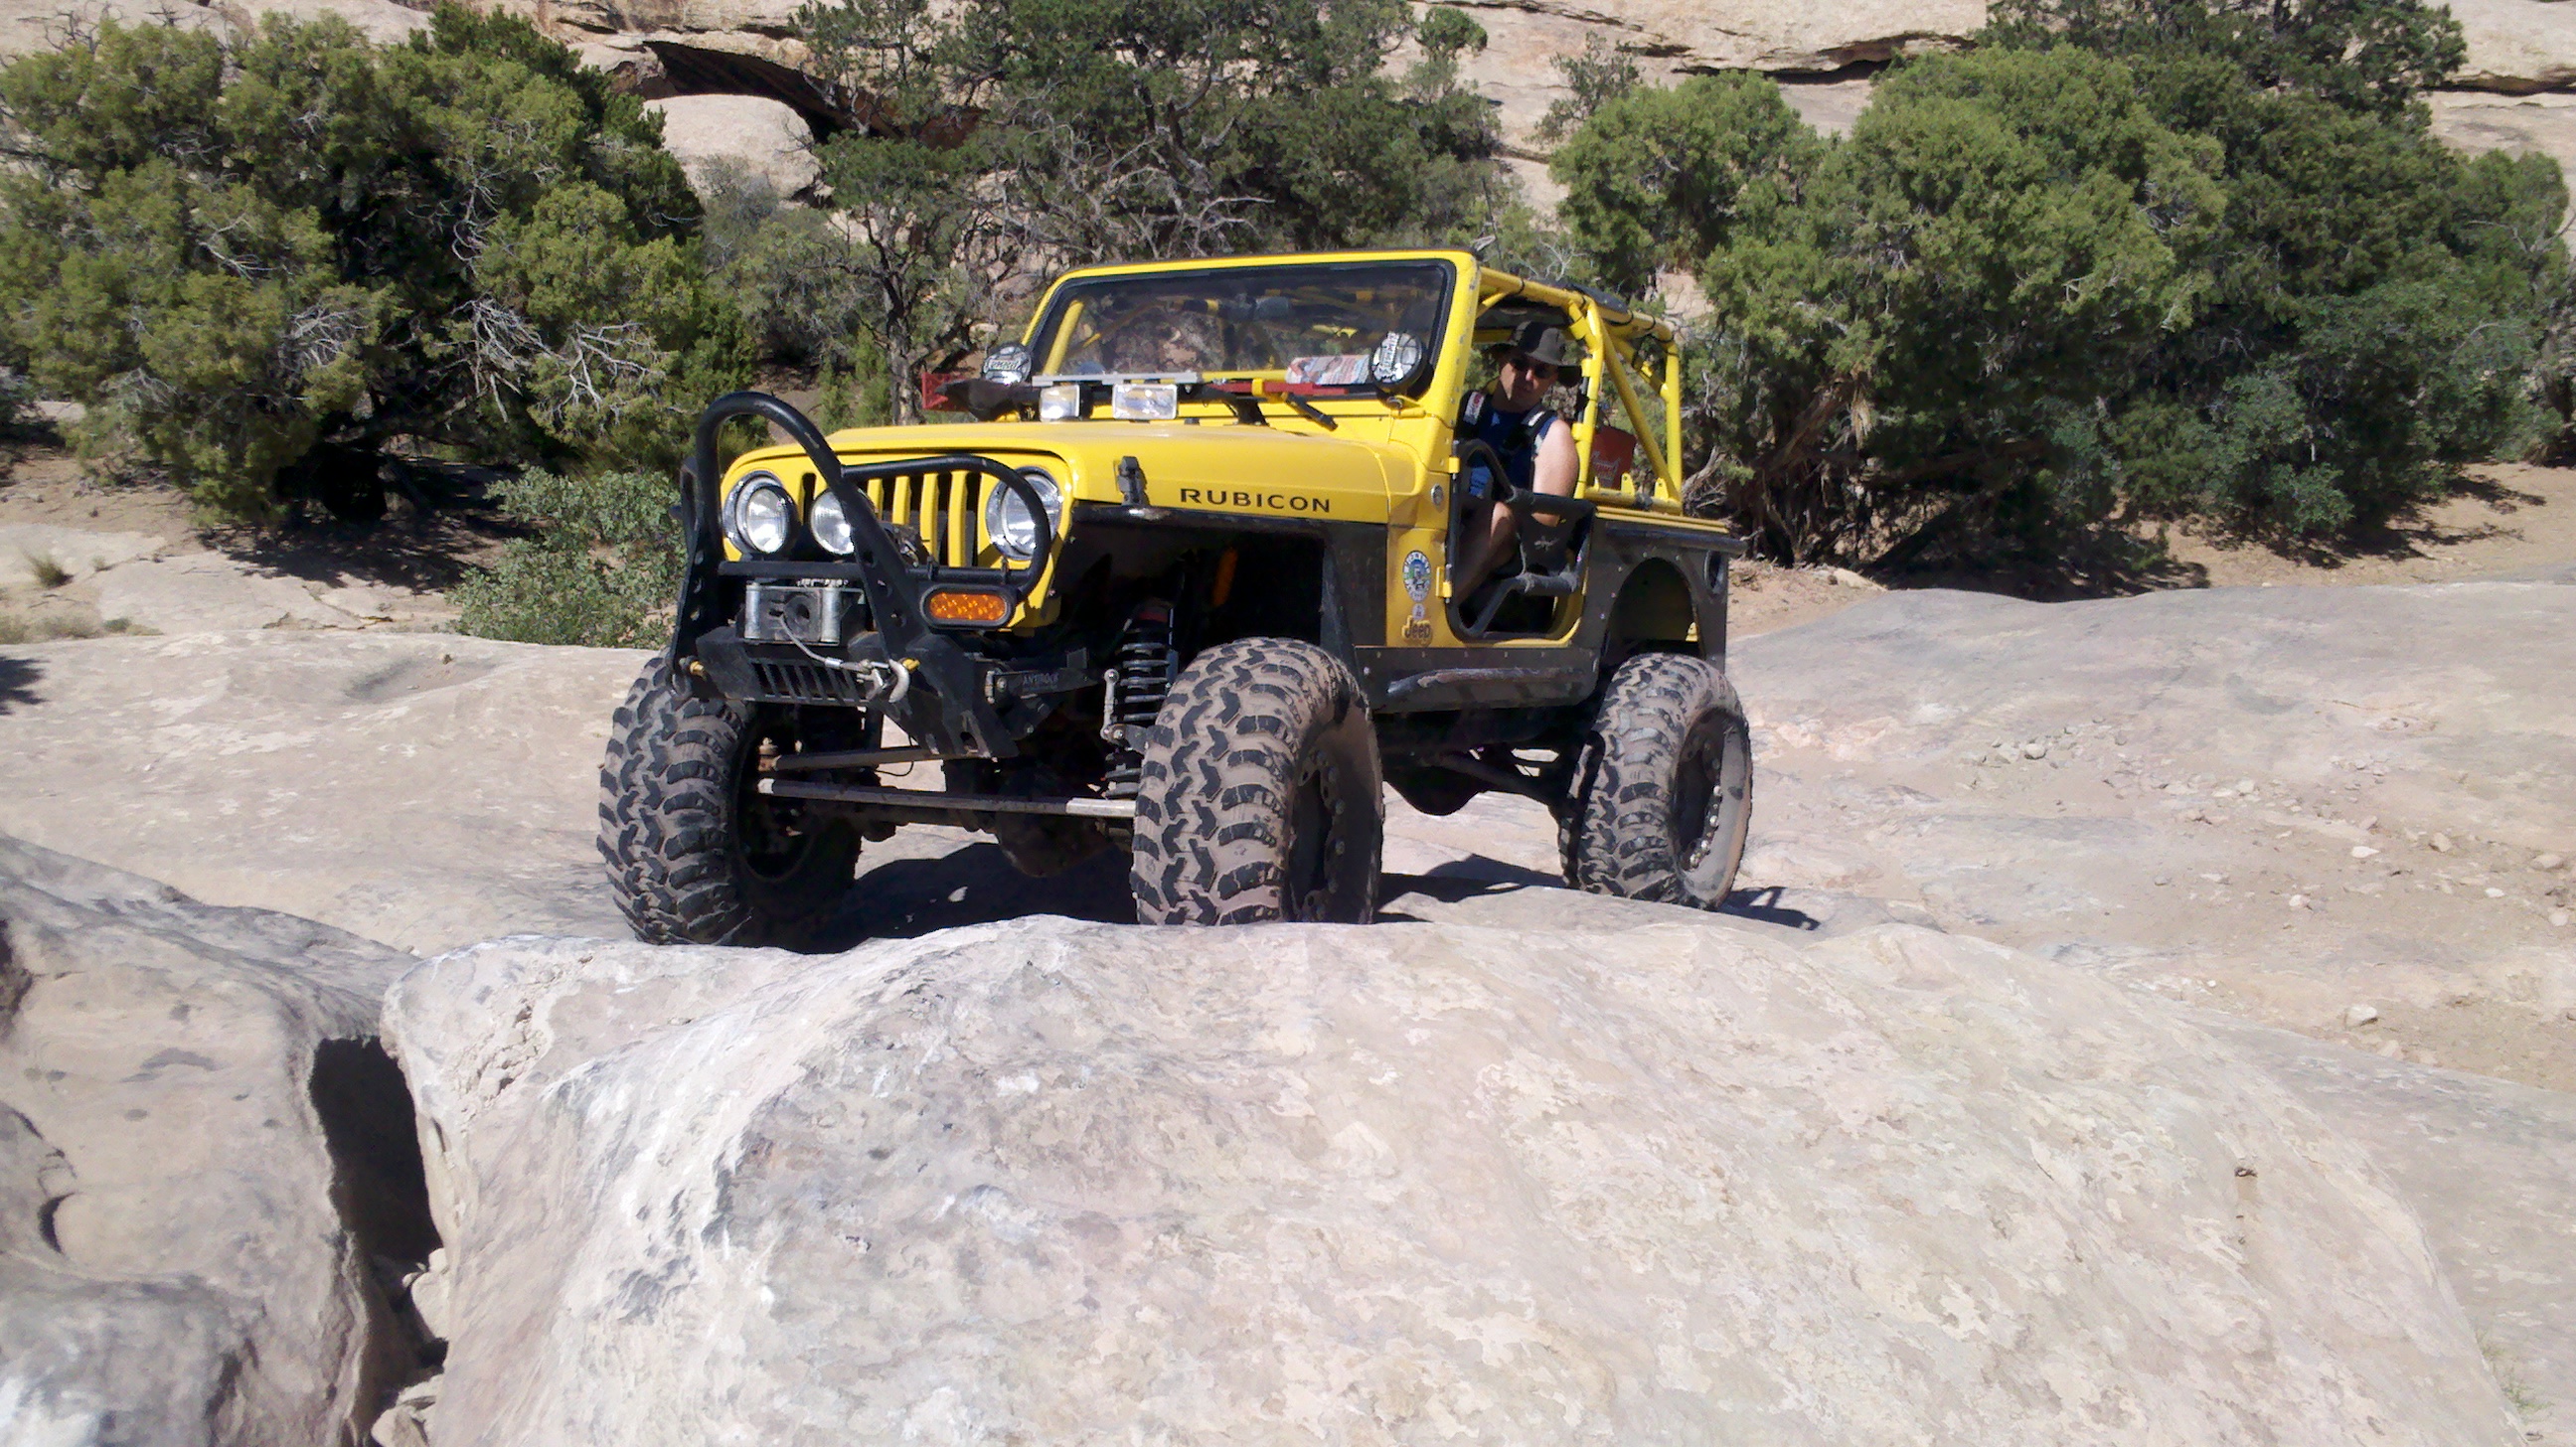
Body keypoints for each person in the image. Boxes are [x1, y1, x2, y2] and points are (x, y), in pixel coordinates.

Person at [1454, 320, 1579, 600]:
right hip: (1447, 514)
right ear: (1502, 359)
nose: (1527, 377)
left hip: (1507, 544)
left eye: (1541, 371)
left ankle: (1438, 610)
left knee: (1496, 516)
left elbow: (1542, 522)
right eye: (1519, 364)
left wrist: (1468, 504)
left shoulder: (1553, 433)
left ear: (1552, 379)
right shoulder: (1466, 408)